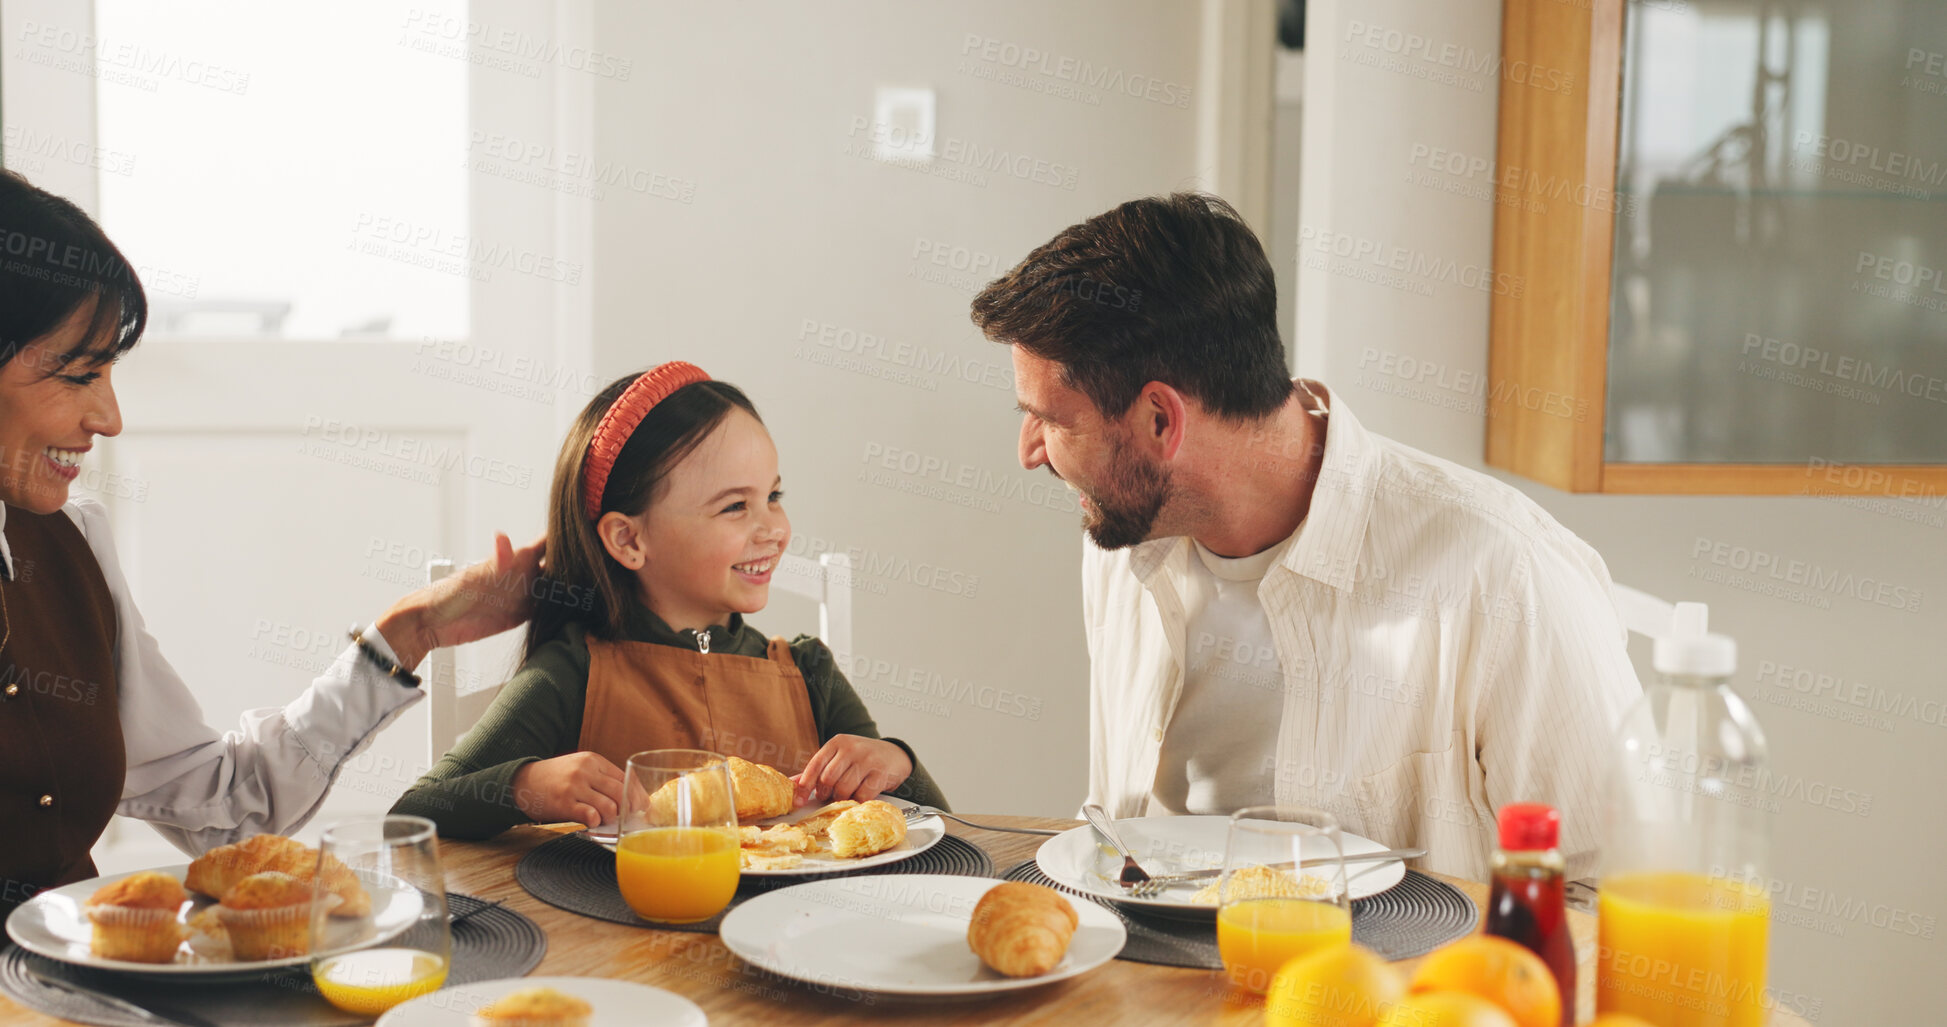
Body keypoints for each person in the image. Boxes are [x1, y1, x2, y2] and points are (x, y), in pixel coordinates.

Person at [969, 193, 1639, 880]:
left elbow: (1614, 889)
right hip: (1142, 971)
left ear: (1160, 420)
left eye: (1050, 419)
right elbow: (1112, 830)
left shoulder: (1501, 571)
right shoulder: (1127, 540)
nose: (1030, 451)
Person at [0, 170, 546, 910]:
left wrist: (406, 636)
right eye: (79, 373)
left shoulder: (70, 543)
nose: (109, 416)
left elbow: (229, 807)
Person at [392, 363, 948, 837]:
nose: (773, 528)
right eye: (735, 506)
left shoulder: (809, 673)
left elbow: (930, 825)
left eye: (773, 496)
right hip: (623, 949)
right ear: (629, 540)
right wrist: (521, 786)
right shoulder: (574, 672)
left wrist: (895, 762)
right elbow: (413, 817)